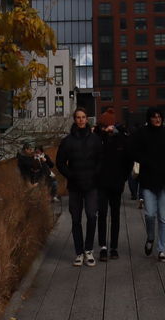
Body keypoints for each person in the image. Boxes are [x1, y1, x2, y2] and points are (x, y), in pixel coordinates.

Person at [56, 107, 103, 266]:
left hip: (91, 185)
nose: (81, 120)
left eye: (83, 117)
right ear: (74, 120)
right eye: (78, 117)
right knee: (76, 219)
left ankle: (88, 250)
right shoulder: (67, 141)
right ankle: (79, 252)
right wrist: (71, 175)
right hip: (75, 186)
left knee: (91, 216)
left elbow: (101, 160)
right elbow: (60, 163)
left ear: (87, 119)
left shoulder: (95, 139)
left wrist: (95, 175)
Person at [130, 106, 165, 262]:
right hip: (148, 181)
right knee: (150, 214)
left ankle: (161, 250)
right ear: (149, 118)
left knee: (163, 217)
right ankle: (150, 237)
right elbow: (134, 151)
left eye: (159, 116)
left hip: (164, 180)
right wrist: (146, 162)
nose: (157, 119)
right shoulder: (142, 134)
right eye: (154, 117)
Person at [94, 107, 132, 260]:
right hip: (101, 183)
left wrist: (123, 177)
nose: (107, 128)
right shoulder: (97, 139)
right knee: (102, 214)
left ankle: (114, 247)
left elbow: (128, 160)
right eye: (104, 126)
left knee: (115, 215)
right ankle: (103, 246)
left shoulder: (121, 138)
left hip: (116, 182)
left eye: (108, 125)